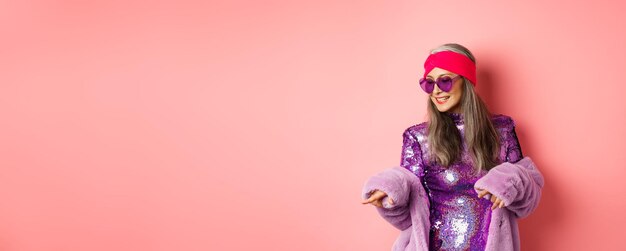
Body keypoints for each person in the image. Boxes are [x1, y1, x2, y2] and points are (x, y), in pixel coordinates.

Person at [360, 43, 543, 251]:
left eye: (445, 81)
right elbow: (408, 187)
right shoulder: (418, 138)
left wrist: (509, 182)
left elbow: (527, 195)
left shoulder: (501, 131)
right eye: (429, 83)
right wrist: (390, 189)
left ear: (465, 82)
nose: (436, 90)